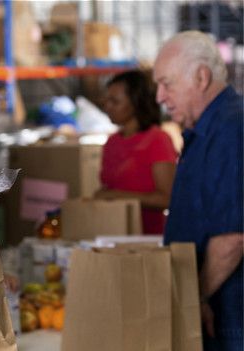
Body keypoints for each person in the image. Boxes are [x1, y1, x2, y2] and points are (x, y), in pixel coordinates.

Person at [154, 31, 243, 351]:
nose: (159, 97)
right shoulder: (207, 129)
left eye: (167, 83)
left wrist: (197, 296)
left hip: (230, 318)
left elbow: (233, 237)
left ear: (201, 77)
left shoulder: (232, 130)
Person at [94, 70, 177, 234]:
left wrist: (116, 196)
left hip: (148, 237)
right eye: (106, 100)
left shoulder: (157, 140)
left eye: (115, 101)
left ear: (136, 103)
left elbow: (168, 199)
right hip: (113, 231)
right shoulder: (112, 142)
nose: (107, 106)